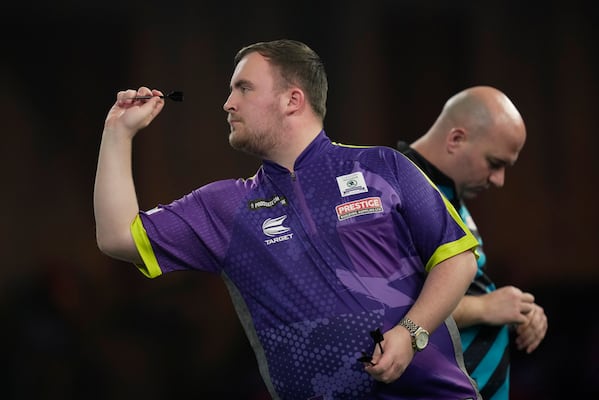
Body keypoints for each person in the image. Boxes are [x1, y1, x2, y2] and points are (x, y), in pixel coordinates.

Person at [94, 39, 482, 399]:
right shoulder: (226, 207)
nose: (228, 103)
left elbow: (457, 258)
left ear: (292, 99)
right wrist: (117, 132)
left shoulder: (383, 166)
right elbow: (117, 238)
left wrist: (411, 334)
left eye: (243, 88)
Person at [397, 86, 548, 400]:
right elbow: (390, 308)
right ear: (456, 139)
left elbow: (456, 291)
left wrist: (518, 313)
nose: (499, 180)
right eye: (494, 163)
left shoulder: (445, 192)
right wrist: (484, 308)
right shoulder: (397, 190)